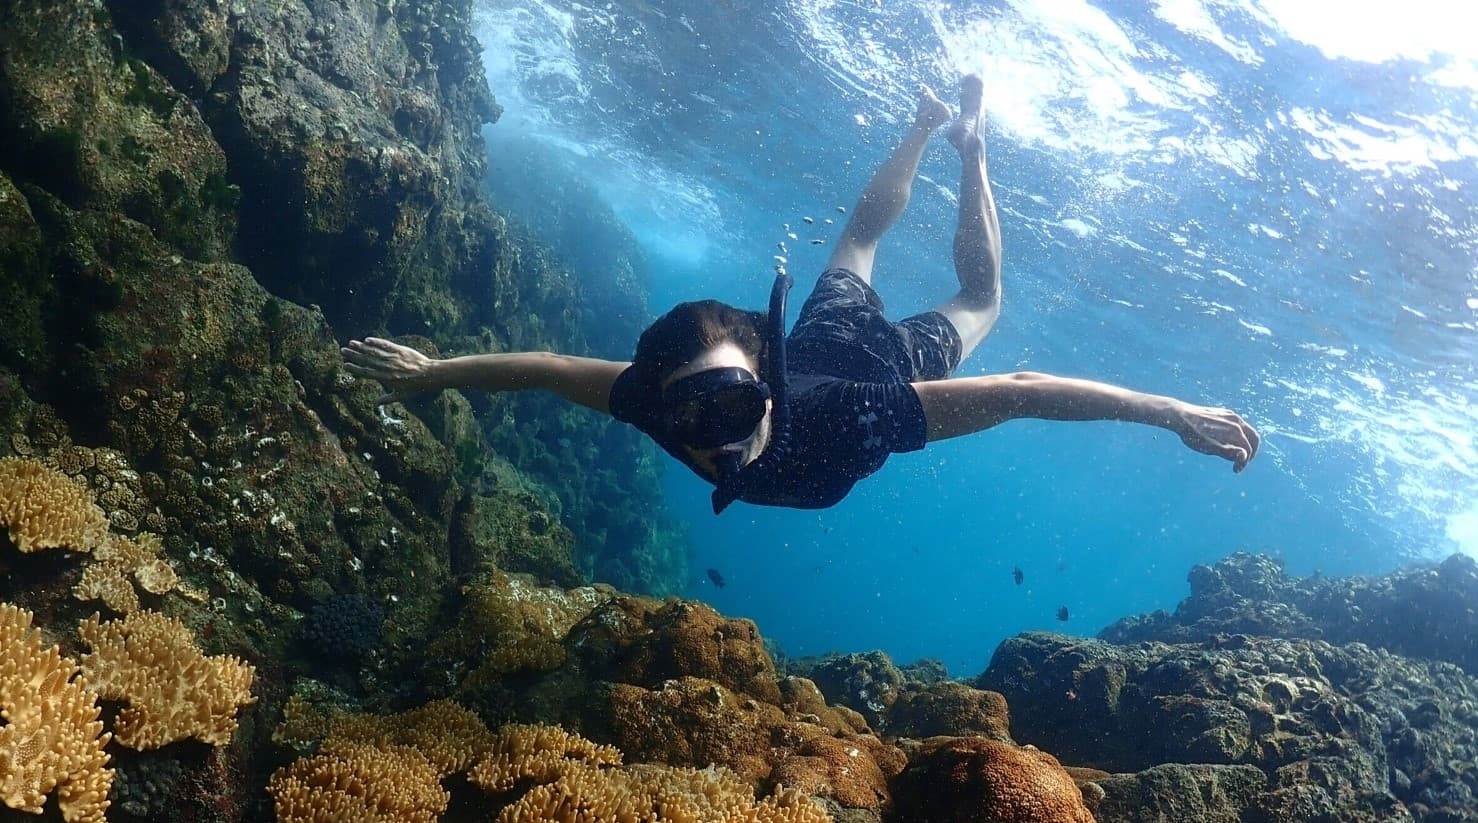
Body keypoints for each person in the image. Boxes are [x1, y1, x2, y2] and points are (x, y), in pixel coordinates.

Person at [343, 76, 1259, 514]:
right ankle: (925, 126)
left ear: (766, 387)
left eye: (734, 404)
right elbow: (545, 368)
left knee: (981, 298)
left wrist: (1168, 411)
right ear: (661, 401)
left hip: (872, 354)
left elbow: (1021, 391)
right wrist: (432, 373)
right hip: (819, 330)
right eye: (694, 412)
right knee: (855, 244)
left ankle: (962, 142)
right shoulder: (653, 402)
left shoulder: (857, 415)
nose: (718, 437)